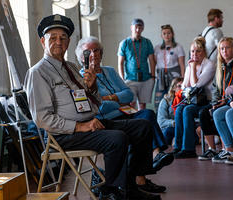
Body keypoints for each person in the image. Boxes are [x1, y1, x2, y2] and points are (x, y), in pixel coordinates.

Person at [24, 14, 161, 200]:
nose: (58, 41)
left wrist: (93, 87)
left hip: (89, 124)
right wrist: (80, 126)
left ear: (68, 42)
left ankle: (131, 184)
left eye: (63, 38)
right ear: (42, 41)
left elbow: (95, 105)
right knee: (116, 138)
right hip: (65, 135)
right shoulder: (38, 73)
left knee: (142, 126)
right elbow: (42, 119)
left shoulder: (71, 68)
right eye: (53, 37)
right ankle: (114, 191)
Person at [76, 36, 173, 175]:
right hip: (107, 121)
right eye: (88, 52)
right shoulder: (81, 78)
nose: (93, 54)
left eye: (96, 50)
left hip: (125, 113)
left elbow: (129, 94)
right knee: (140, 129)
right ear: (81, 57)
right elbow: (98, 106)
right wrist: (117, 99)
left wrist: (109, 98)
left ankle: (156, 154)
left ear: (101, 53)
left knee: (148, 114)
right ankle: (143, 174)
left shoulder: (109, 71)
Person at [173, 37, 216, 159]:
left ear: (204, 52)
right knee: (180, 108)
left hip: (207, 100)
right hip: (193, 100)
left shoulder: (209, 65)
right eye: (192, 51)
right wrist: (190, 71)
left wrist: (192, 68)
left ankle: (189, 149)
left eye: (198, 51)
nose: (194, 54)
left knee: (187, 110)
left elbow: (196, 85)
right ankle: (178, 146)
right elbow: (185, 86)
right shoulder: (189, 66)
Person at [199, 37, 233, 163]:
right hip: (225, 100)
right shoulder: (220, 67)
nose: (224, 51)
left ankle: (232, 149)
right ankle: (226, 149)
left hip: (229, 100)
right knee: (208, 112)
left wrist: (226, 101)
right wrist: (215, 101)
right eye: (222, 48)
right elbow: (215, 88)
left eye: (227, 47)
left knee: (226, 113)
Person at [118, 18, 156, 110]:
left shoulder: (147, 42)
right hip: (130, 78)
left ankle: (142, 123)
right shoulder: (125, 43)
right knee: (131, 103)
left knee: (143, 105)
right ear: (131, 28)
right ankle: (134, 122)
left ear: (143, 28)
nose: (138, 30)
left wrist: (153, 76)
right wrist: (122, 79)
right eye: (136, 27)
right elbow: (120, 62)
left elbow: (151, 60)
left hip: (145, 78)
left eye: (140, 27)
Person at [154, 24, 185, 110]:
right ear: (161, 35)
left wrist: (182, 78)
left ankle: (173, 115)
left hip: (174, 74)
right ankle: (159, 117)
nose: (167, 35)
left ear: (172, 34)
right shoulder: (157, 48)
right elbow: (154, 62)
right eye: (164, 33)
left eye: (168, 33)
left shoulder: (178, 47)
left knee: (173, 96)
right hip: (161, 75)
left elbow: (182, 64)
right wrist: (154, 76)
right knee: (159, 98)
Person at [157, 77, 183, 145]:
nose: (182, 89)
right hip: (171, 127)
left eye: (184, 86)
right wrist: (175, 123)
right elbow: (161, 121)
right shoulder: (166, 101)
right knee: (167, 132)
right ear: (174, 88)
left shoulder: (188, 100)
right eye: (179, 86)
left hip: (184, 127)